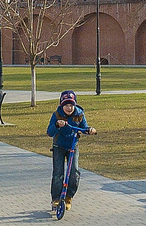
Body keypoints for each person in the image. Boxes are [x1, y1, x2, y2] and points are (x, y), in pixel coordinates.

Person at [47, 91, 94, 219]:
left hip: (73, 146)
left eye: (71, 105)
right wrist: (57, 124)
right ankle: (56, 198)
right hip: (59, 146)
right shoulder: (57, 115)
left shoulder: (79, 114)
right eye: (66, 105)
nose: (69, 108)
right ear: (62, 105)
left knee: (74, 172)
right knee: (58, 173)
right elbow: (50, 132)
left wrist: (90, 130)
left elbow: (84, 127)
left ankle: (68, 196)